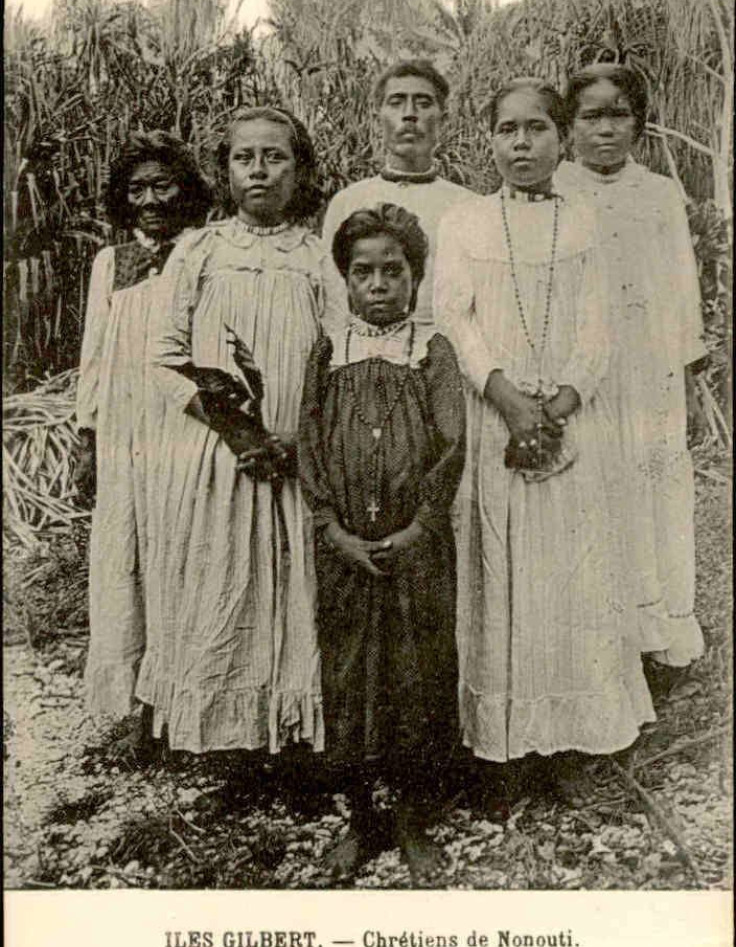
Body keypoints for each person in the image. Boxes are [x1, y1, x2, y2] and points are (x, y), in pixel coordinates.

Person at [435, 78, 654, 802]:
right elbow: (456, 320)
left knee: (574, 577)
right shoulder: (465, 224)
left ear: (561, 139)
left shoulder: (588, 221)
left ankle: (574, 744)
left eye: (537, 129)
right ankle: (506, 752)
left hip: (570, 423)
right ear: (488, 138)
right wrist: (506, 399)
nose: (521, 144)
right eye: (507, 130)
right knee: (502, 577)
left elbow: (601, 327)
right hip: (494, 418)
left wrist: (559, 402)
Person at [137, 107, 329, 756]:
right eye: (245, 157)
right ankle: (236, 752)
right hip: (223, 457)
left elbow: (337, 352)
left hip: (298, 458)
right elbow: (163, 359)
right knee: (227, 588)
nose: (260, 169)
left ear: (298, 169)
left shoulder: (316, 253)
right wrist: (237, 433)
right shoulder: (201, 250)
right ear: (224, 170)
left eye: (275, 156)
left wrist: (302, 439)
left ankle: (296, 744)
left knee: (295, 589)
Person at [299, 203, 465, 883]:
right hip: (345, 549)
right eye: (362, 271)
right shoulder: (327, 351)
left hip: (415, 546)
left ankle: (414, 819)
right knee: (348, 674)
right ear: (343, 279)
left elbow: (452, 445)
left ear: (416, 277)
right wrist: (332, 529)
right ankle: (363, 817)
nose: (377, 284)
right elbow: (308, 443)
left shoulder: (431, 350)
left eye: (391, 270)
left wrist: (419, 526)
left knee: (415, 673)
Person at [556, 64, 706, 676]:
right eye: (591, 116)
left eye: (618, 114)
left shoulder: (659, 193)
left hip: (649, 366)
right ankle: (601, 636)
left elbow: (681, 287)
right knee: (595, 487)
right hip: (584, 372)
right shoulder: (556, 189)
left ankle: (660, 633)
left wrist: (687, 374)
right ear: (569, 126)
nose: (605, 129)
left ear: (639, 123)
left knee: (654, 487)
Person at [75, 131, 212, 753]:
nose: (151, 200)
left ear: (185, 188)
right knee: (125, 559)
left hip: (184, 427)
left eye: (163, 185)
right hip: (126, 433)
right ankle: (141, 712)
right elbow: (95, 357)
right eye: (137, 189)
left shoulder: (205, 251)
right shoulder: (111, 262)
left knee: (183, 555)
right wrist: (87, 433)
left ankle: (188, 703)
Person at [320, 59, 476, 332]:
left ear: (444, 117)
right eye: (396, 102)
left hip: (445, 360)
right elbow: (335, 301)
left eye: (424, 103)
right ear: (376, 116)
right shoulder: (347, 202)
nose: (409, 114)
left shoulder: (467, 206)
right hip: (363, 356)